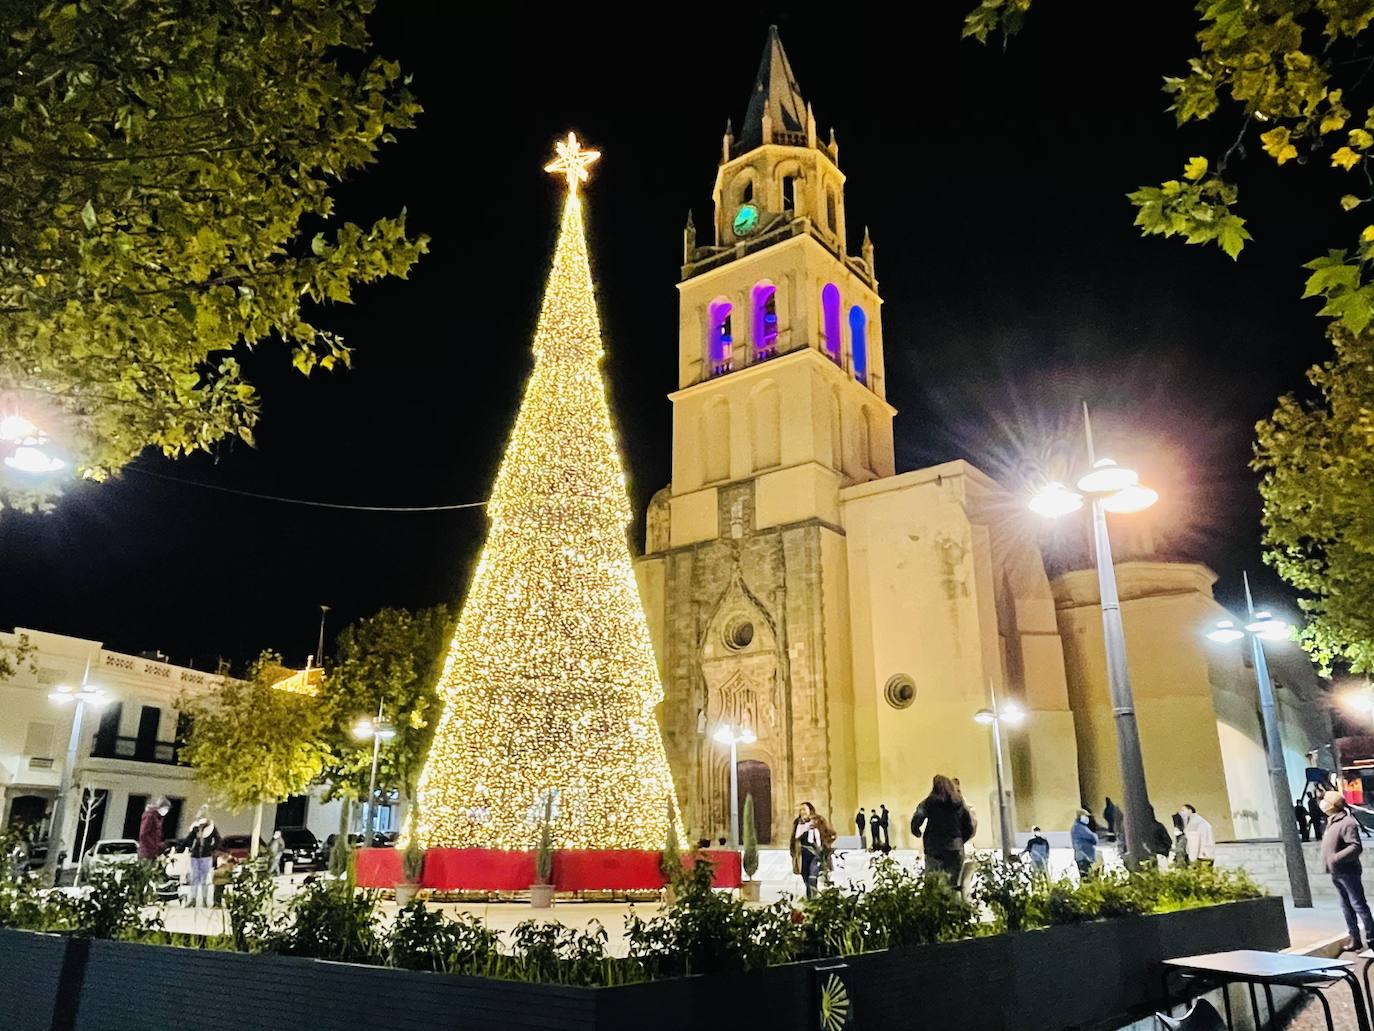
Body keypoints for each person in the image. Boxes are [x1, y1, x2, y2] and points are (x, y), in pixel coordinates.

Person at [1321, 791, 1374, 952]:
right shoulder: (1332, 822)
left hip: (1347, 871)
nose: (1322, 803)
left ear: (1333, 805)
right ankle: (1354, 938)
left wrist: (1336, 858)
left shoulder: (1347, 823)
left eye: (1325, 801)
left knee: (1358, 905)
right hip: (1336, 872)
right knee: (1346, 906)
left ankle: (1371, 938)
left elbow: (1355, 846)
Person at [910, 775, 975, 882]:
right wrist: (960, 840)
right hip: (954, 848)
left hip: (933, 847)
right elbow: (969, 826)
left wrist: (916, 831)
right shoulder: (958, 802)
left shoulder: (930, 802)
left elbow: (918, 816)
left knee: (934, 883)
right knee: (953, 883)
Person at [790, 801, 835, 898]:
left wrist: (825, 846)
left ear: (810, 810)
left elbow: (831, 834)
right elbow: (794, 839)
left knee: (812, 877)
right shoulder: (798, 823)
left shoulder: (819, 820)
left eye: (804, 809)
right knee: (806, 879)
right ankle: (810, 900)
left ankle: (814, 899)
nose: (802, 812)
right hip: (802, 854)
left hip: (815, 854)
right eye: (801, 810)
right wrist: (793, 853)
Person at [180, 806, 220, 908]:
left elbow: (218, 840)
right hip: (195, 856)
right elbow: (189, 839)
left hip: (206, 856)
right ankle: (193, 899)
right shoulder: (195, 828)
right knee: (194, 879)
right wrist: (182, 847)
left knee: (204, 879)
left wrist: (211, 848)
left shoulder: (211, 828)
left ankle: (204, 900)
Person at [137, 797, 169, 863]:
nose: (166, 811)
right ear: (160, 807)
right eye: (166, 808)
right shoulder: (150, 816)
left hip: (152, 852)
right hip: (147, 852)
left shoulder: (157, 817)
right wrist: (154, 846)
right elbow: (143, 834)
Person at [1071, 809, 1098, 877]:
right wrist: (1094, 835)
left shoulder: (1081, 827)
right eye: (1086, 816)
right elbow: (1093, 838)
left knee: (1087, 876)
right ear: (1081, 816)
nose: (1087, 818)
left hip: (1084, 856)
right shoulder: (1079, 827)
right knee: (1087, 877)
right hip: (1084, 856)